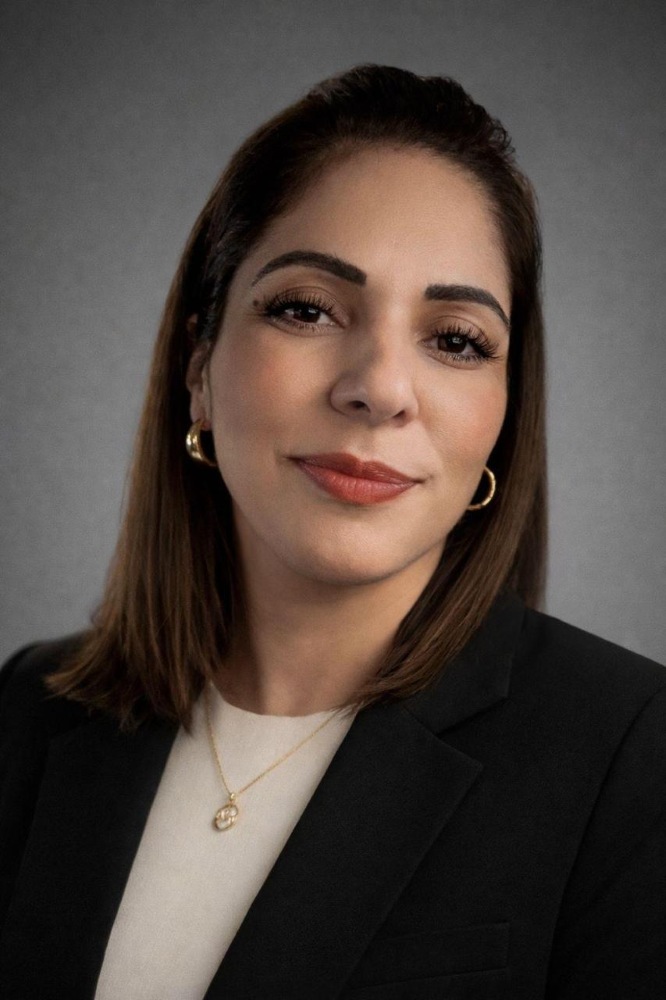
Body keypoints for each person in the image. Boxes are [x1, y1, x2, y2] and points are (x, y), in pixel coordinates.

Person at [0, 63, 664, 1000]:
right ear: (199, 367)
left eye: (456, 339)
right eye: (307, 310)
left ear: (504, 414)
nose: (381, 389)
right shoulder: (27, 710)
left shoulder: (634, 757)